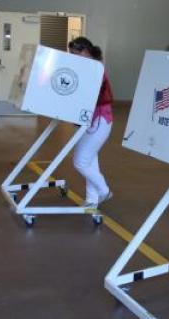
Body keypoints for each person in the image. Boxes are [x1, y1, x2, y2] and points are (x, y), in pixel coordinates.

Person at [68, 37, 113, 209]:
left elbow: (87, 95)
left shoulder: (95, 68)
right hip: (91, 120)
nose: (73, 57)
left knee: (80, 161)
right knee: (90, 160)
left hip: (100, 119)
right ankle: (92, 199)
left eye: (76, 53)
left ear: (86, 51)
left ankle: (104, 191)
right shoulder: (88, 67)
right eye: (71, 54)